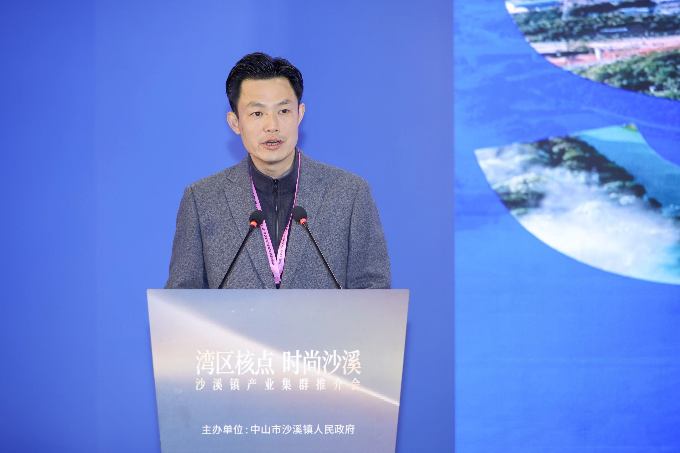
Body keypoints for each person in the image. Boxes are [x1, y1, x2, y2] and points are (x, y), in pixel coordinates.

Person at [165, 52, 390, 289]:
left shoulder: (350, 194)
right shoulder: (202, 200)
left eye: (283, 111)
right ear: (235, 122)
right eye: (257, 113)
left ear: (300, 114)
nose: (272, 126)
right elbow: (183, 299)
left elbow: (373, 290)